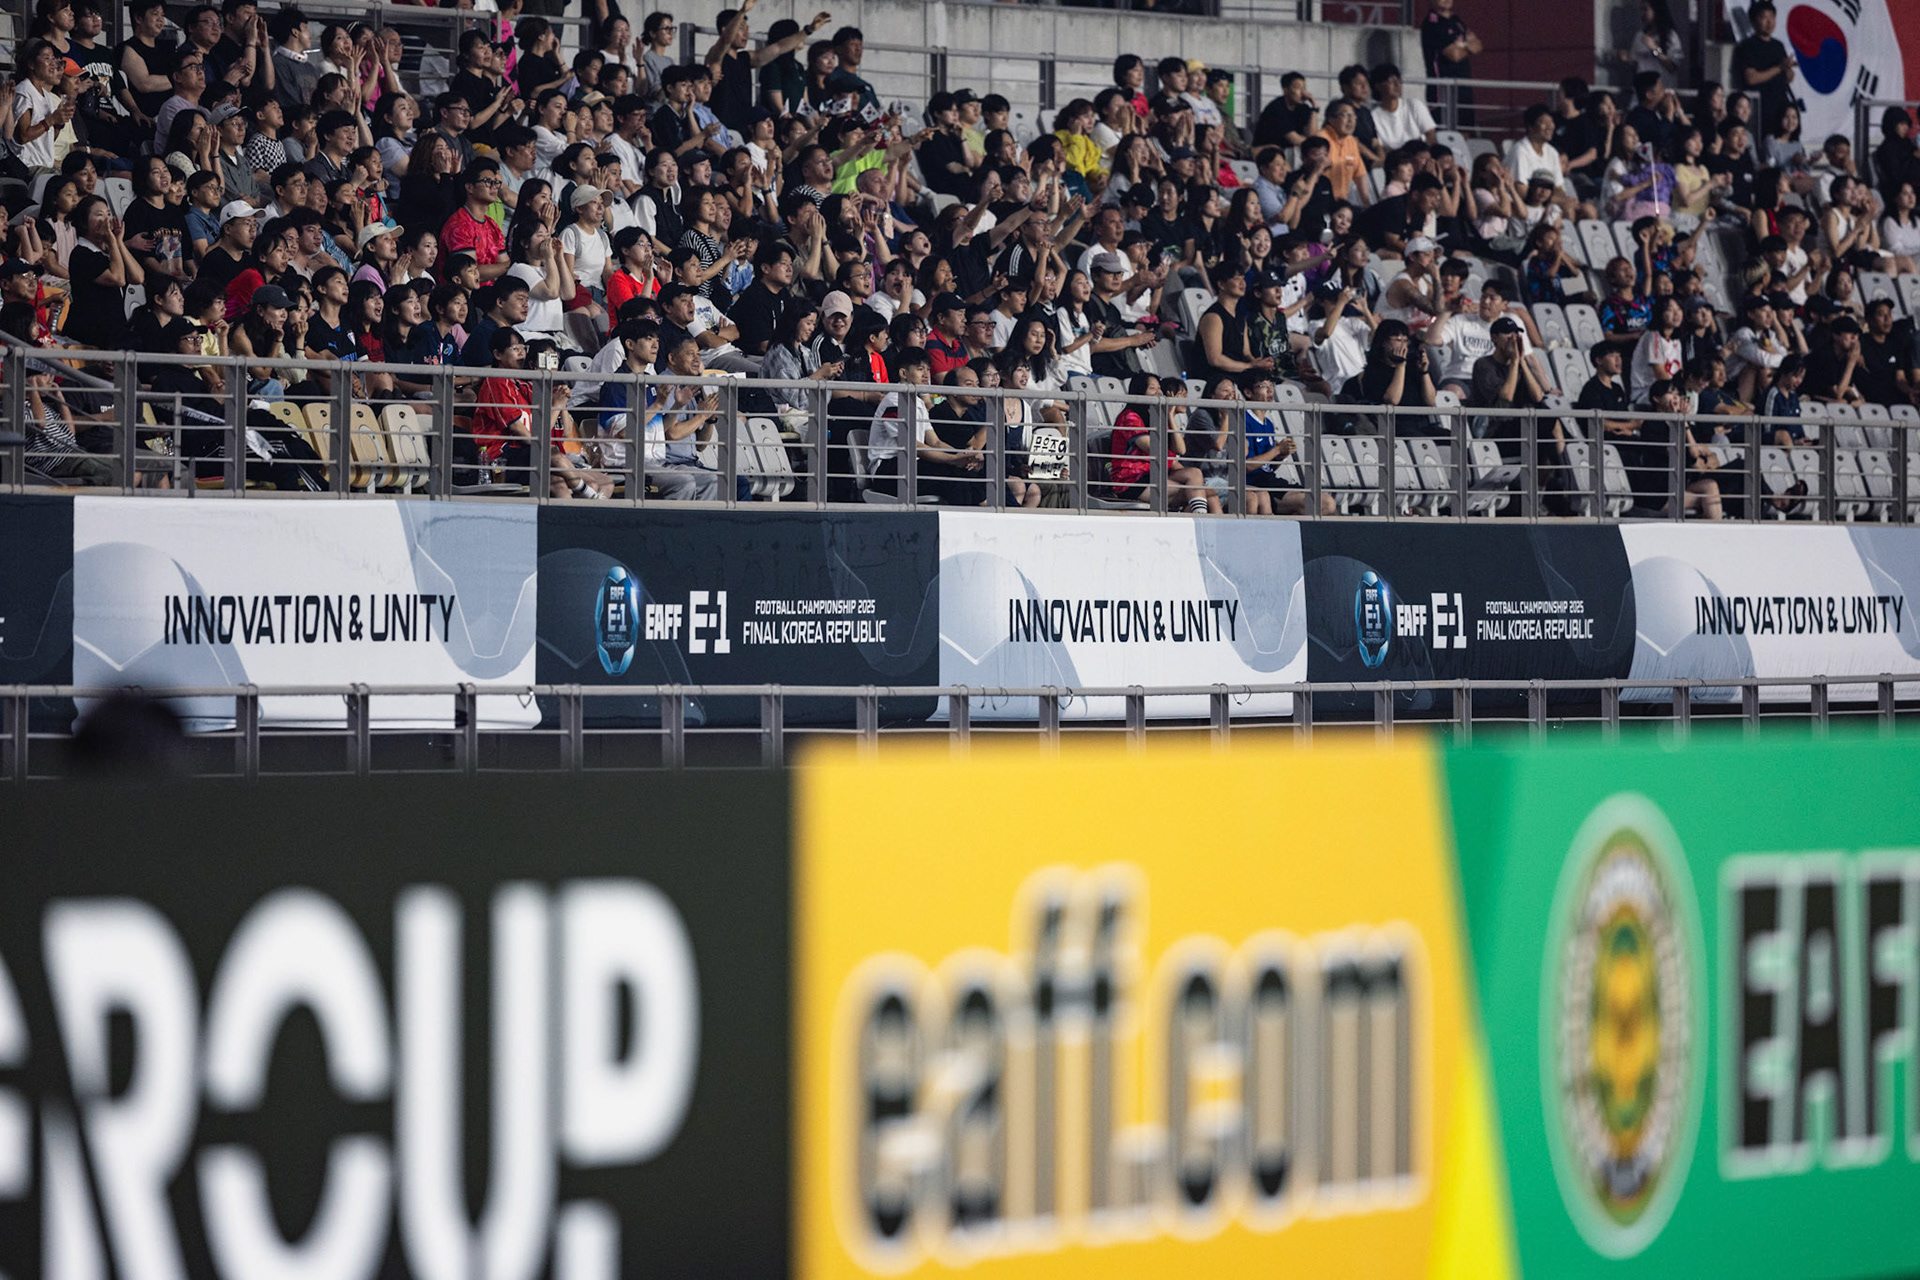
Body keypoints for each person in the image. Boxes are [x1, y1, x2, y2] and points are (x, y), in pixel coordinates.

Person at [1732, 0, 1793, 135]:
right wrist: (1778, 68)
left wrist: (1788, 70)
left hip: (1780, 105)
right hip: (1760, 108)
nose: (1769, 22)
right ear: (1753, 22)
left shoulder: (1778, 46)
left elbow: (1788, 78)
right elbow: (1751, 78)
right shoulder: (1748, 46)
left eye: (1772, 17)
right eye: (1764, 17)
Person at [1420, 0, 1481, 127]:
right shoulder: (1432, 23)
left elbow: (1478, 46)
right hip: (1442, 91)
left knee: (1465, 131)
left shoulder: (1457, 21)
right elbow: (1454, 55)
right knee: (1444, 135)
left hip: (1463, 88)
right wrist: (1467, 44)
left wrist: (1461, 45)